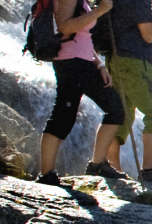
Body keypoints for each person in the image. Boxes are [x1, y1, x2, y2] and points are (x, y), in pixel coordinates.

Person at [37, 0, 126, 187]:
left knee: (115, 108)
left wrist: (99, 65)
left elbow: (82, 35)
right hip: (70, 62)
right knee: (63, 115)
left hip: (85, 62)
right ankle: (46, 174)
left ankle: (97, 165)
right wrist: (100, 10)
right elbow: (65, 27)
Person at [104, 0, 152, 186]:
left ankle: (112, 169)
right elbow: (148, 35)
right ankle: (149, 171)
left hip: (114, 59)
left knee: (120, 115)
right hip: (135, 61)